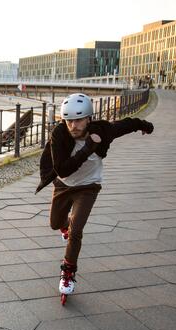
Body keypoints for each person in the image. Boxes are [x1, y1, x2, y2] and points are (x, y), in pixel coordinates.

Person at [35, 93, 154, 299]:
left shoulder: (102, 130)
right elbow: (63, 170)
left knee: (77, 230)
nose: (73, 125)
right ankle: (65, 226)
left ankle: (68, 272)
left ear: (89, 118)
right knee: (55, 224)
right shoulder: (59, 134)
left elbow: (125, 124)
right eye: (69, 120)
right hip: (63, 185)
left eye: (79, 120)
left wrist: (145, 125)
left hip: (89, 187)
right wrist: (89, 147)